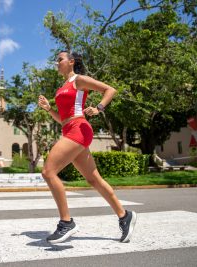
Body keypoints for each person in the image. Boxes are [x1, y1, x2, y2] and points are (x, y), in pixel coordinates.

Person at [37, 50, 137, 244]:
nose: (57, 63)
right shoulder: (61, 87)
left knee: (48, 172)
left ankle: (66, 222)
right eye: (56, 60)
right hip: (69, 129)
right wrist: (49, 109)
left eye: (60, 59)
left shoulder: (79, 80)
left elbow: (110, 90)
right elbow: (62, 119)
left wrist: (98, 108)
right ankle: (125, 216)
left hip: (79, 129)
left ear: (71, 62)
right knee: (94, 180)